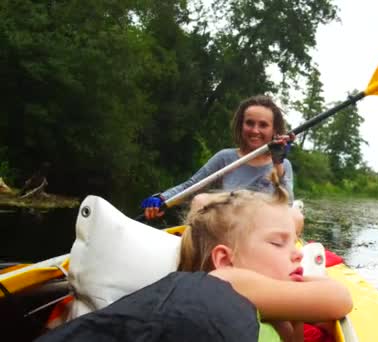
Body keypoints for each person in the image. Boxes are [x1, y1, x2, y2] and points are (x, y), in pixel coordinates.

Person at [37, 174, 351, 342]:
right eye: (278, 243)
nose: (296, 252)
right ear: (225, 259)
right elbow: (338, 298)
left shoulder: (269, 306)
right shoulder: (231, 280)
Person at [141, 95, 296, 221]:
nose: (255, 130)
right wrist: (162, 198)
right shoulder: (225, 157)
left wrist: (278, 163)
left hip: (261, 230)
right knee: (200, 200)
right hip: (227, 226)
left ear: (274, 129)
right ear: (241, 125)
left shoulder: (282, 164)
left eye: (263, 125)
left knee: (296, 217)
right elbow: (192, 186)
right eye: (249, 123)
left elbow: (287, 205)